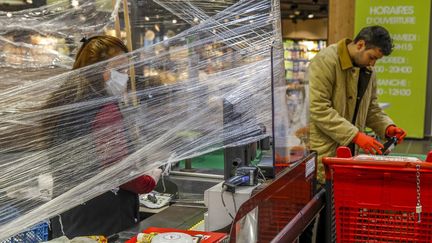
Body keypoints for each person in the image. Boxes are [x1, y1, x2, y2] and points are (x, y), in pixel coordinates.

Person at [44, 35, 161, 238]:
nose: (124, 77)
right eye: (120, 70)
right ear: (99, 71)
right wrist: (150, 178)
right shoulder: (105, 110)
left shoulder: (64, 101)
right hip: (103, 219)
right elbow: (117, 173)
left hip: (69, 214)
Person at [308, 25, 407, 182]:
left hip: (352, 153)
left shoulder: (367, 69)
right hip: (326, 151)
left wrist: (387, 127)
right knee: (327, 200)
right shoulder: (326, 61)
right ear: (360, 45)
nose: (373, 64)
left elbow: (371, 108)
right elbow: (319, 109)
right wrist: (355, 135)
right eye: (372, 57)